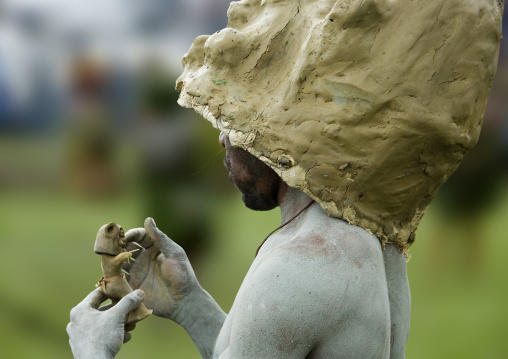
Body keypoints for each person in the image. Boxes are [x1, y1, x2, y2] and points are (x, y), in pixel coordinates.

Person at [67, 132, 410, 359]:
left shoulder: (301, 265)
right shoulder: (367, 236)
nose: (221, 137)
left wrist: (92, 350)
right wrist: (189, 304)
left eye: (233, 116)